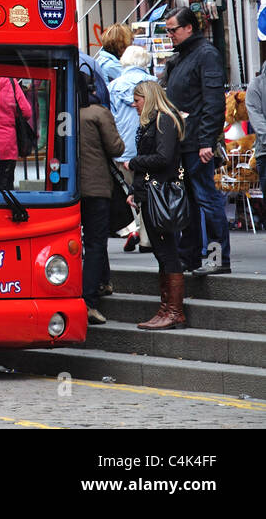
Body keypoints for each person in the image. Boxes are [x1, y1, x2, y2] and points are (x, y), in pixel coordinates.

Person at [162, 6, 231, 275]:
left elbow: (214, 103)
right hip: (184, 142)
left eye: (173, 30)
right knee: (189, 202)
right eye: (167, 31)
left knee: (207, 200)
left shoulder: (205, 55)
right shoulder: (183, 57)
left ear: (189, 28)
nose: (170, 35)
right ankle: (188, 257)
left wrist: (206, 141)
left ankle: (217, 259)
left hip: (196, 143)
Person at [123, 81, 187, 330]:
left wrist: (134, 162)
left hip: (160, 195)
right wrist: (134, 191)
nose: (134, 105)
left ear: (147, 99)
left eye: (137, 100)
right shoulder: (155, 122)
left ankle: (173, 311)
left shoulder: (164, 121)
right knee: (162, 253)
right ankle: (166, 309)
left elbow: (163, 158)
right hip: (150, 193)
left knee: (166, 252)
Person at [78, 67, 126, 324]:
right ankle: (88, 300)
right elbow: (117, 147)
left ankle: (103, 281)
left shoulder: (62, 112)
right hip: (96, 186)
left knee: (86, 241)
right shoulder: (97, 113)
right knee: (96, 242)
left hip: (69, 190)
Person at [108, 44, 156, 252]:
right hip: (150, 148)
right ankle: (146, 238)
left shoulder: (114, 86)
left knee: (129, 192)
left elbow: (110, 119)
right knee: (149, 192)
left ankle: (135, 229)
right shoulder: (154, 85)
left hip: (123, 149)